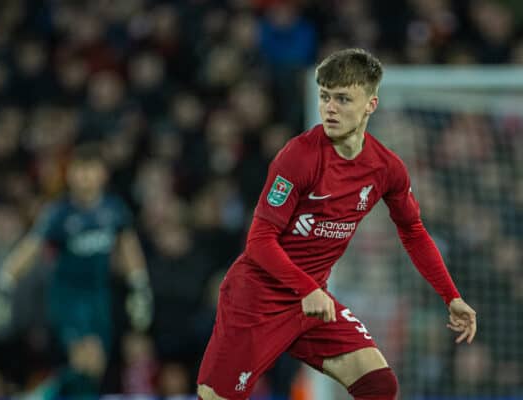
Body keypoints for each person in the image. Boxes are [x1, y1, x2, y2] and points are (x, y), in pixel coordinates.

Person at [196, 48, 477, 400]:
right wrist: (307, 288)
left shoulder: (386, 168)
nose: (330, 107)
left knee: (379, 385)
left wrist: (451, 296)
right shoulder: (299, 156)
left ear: (370, 105)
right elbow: (259, 241)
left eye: (343, 99)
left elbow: (414, 233)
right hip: (257, 299)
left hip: (311, 304)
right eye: (325, 97)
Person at [0, 143, 153, 397]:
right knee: (86, 360)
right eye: (79, 170)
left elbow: (129, 248)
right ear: (70, 174)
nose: (85, 176)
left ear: (103, 174)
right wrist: (3, 283)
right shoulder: (59, 213)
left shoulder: (114, 210)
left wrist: (140, 286)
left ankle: (41, 394)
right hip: (67, 298)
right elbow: (30, 248)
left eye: (91, 169)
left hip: (98, 297)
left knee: (94, 369)